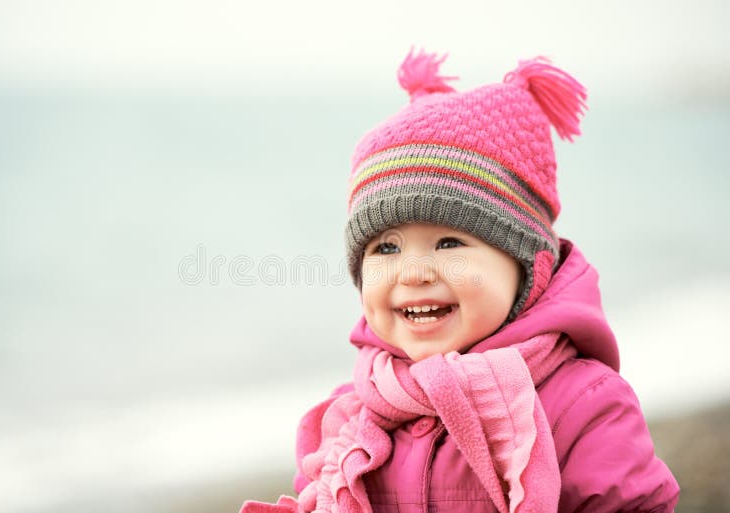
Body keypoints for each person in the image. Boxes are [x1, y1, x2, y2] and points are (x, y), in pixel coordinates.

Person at [239, 49, 679, 513]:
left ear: (529, 266)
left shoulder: (581, 405)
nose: (413, 272)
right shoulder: (353, 415)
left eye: (449, 243)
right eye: (386, 248)